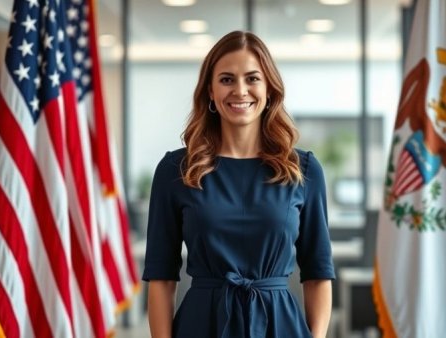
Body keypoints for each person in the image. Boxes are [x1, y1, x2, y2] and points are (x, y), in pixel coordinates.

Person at [142, 30, 335, 338]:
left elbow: (318, 275)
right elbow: (161, 278)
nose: (240, 90)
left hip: (281, 326)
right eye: (227, 79)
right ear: (210, 91)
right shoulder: (175, 170)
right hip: (202, 325)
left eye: (252, 78)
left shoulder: (304, 170)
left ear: (269, 88)